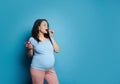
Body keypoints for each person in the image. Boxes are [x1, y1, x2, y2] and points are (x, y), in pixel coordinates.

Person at [25, 19, 60, 84]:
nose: (47, 27)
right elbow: (30, 55)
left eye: (47, 25)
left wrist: (52, 37)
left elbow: (57, 50)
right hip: (37, 69)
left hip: (50, 69)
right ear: (38, 27)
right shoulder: (32, 39)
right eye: (44, 25)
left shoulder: (49, 38)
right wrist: (30, 49)